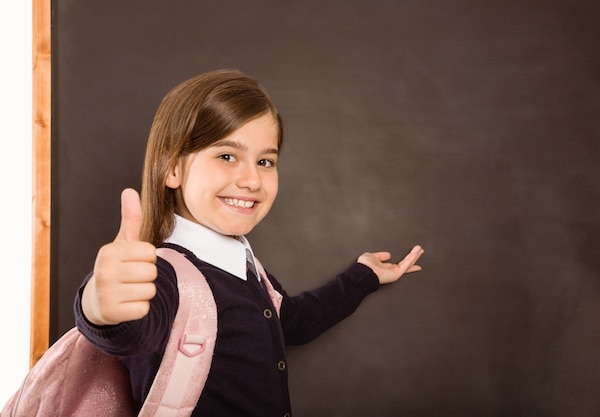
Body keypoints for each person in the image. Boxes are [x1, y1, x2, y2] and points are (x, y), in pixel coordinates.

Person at [75, 69, 424, 417]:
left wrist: (365, 275)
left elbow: (293, 321)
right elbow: (132, 333)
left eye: (265, 161)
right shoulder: (162, 275)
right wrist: (99, 308)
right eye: (227, 156)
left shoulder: (244, 265)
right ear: (172, 167)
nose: (252, 179)